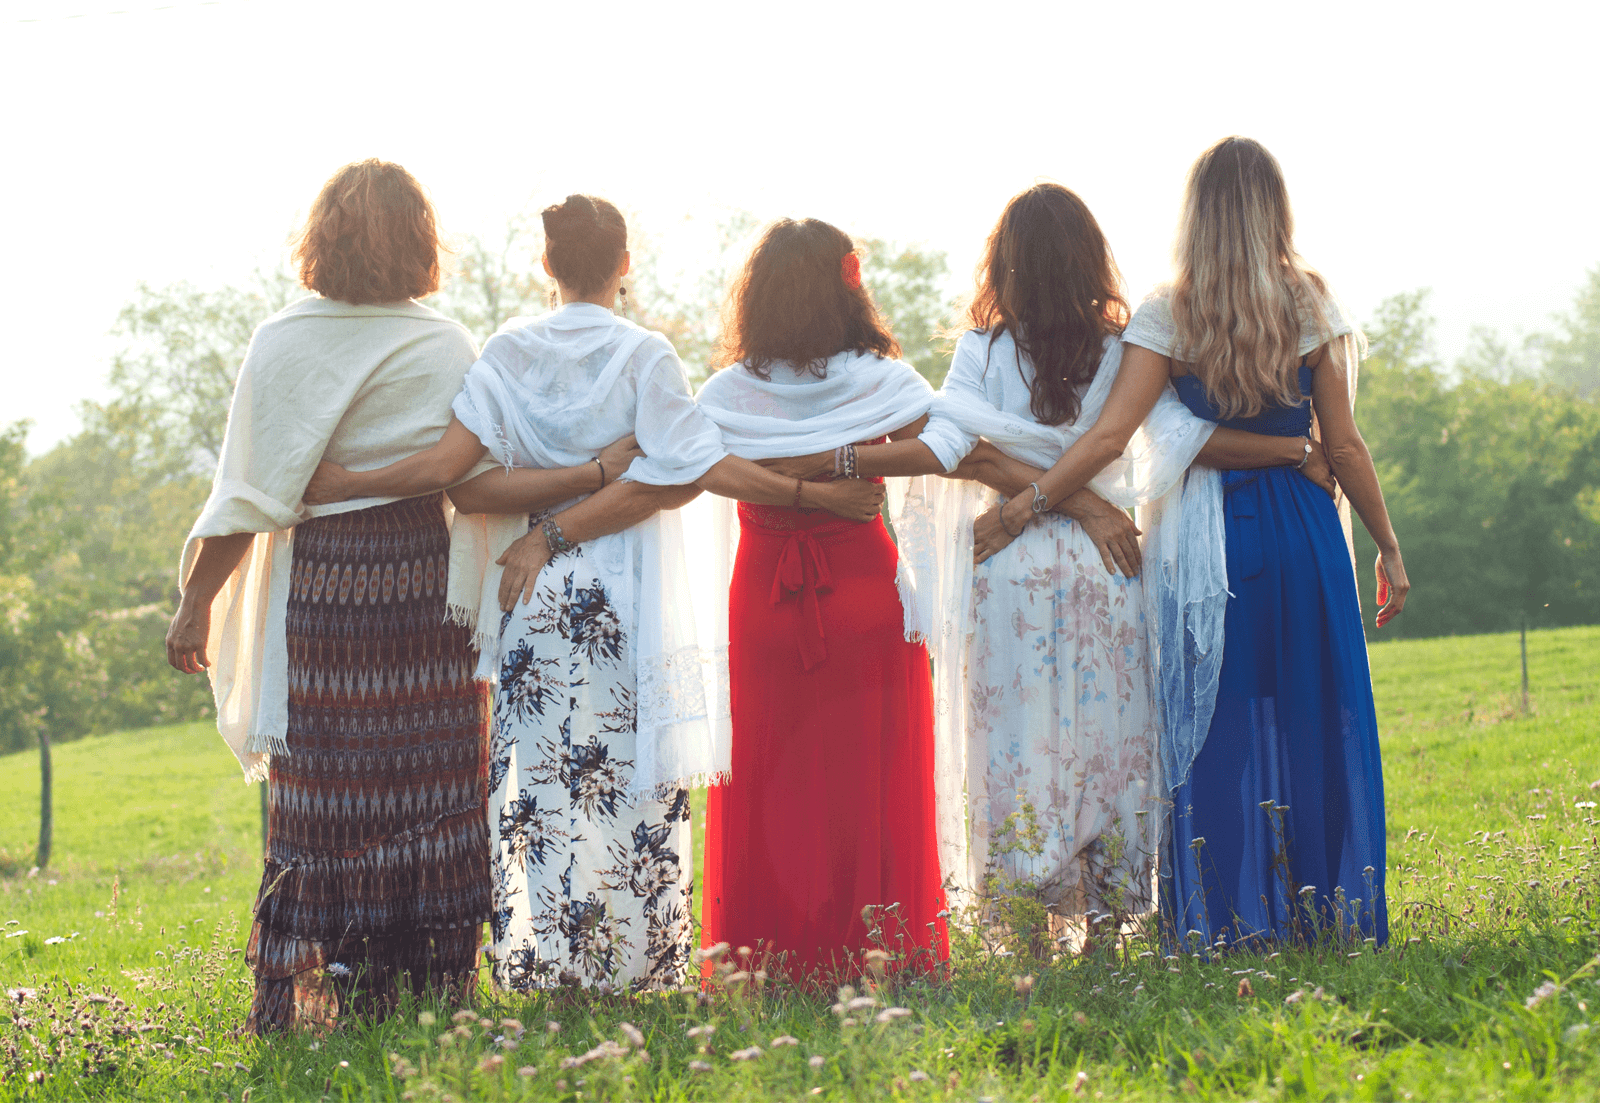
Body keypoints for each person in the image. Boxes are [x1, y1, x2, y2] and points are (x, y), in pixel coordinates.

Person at [305, 196, 884, 991]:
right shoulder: (647, 356)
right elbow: (679, 474)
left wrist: (546, 528)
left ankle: (552, 967)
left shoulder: (506, 353)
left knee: (541, 787)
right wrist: (601, 480)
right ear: (624, 264)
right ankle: (635, 968)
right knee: (629, 781)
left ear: (545, 264)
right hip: (622, 596)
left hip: (528, 590)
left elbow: (469, 489)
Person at [772, 186, 1337, 944]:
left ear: (1003, 263)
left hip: (1006, 563)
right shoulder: (1124, 346)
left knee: (1012, 742)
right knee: (1110, 739)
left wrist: (1019, 505)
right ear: (1088, 258)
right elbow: (1149, 438)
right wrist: (1087, 504)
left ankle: (1025, 926)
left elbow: (961, 445)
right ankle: (1106, 924)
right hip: (1106, 561)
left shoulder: (980, 351)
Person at [165, 160, 608, 1031]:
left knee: (325, 787)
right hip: (421, 580)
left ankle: (311, 998)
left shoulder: (282, 342)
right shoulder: (444, 343)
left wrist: (193, 601)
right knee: (424, 782)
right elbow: (480, 476)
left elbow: (246, 495)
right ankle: (420, 994)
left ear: (320, 237)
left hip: (327, 584)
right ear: (419, 241)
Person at [985, 139, 1407, 948]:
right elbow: (1345, 446)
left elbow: (1116, 433)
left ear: (1196, 211)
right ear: (1275, 207)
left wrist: (1034, 497)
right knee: (1314, 714)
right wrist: (1387, 545)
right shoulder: (1310, 300)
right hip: (1305, 528)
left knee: (1212, 722)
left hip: (1207, 539)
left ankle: (1224, 918)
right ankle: (1326, 919)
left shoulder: (1167, 310)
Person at [692, 218, 954, 982]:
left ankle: (770, 957)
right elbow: (945, 441)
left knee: (775, 773)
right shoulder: (881, 382)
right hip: (864, 588)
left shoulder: (730, 392)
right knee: (868, 772)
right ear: (849, 284)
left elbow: (698, 463)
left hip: (767, 594)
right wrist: (847, 462)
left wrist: (799, 469)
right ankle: (880, 950)